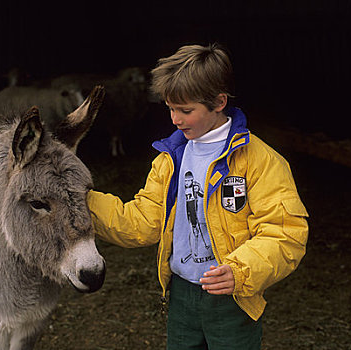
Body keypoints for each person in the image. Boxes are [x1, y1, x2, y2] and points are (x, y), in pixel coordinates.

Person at [87, 43, 309, 350]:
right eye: (170, 109)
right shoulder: (171, 158)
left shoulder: (259, 161)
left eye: (185, 110)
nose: (175, 119)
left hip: (232, 297)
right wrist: (80, 201)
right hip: (180, 295)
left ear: (219, 102)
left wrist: (240, 271)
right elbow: (143, 220)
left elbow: (285, 232)